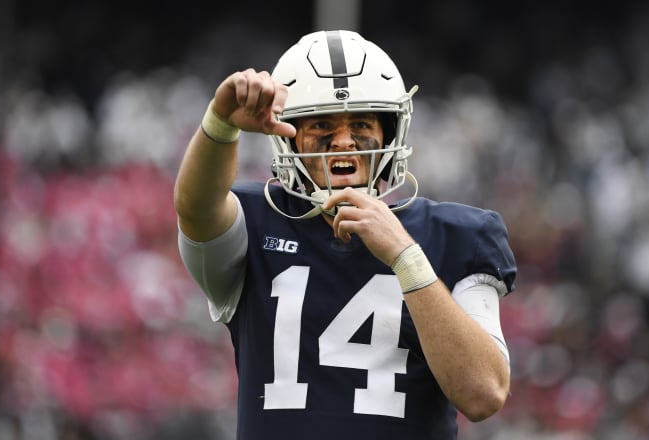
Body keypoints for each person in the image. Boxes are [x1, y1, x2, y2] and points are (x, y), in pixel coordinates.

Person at [174, 29, 516, 439]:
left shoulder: (454, 235)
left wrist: (406, 257)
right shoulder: (257, 222)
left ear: (390, 132)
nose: (343, 141)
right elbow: (196, 208)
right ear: (289, 137)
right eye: (321, 124)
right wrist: (220, 124)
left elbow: (484, 394)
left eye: (361, 122)